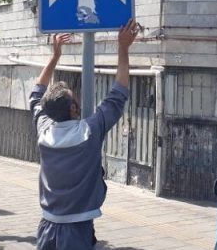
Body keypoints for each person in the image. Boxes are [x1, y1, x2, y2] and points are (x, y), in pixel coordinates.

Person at [30, 19, 139, 250]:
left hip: (46, 226)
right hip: (78, 230)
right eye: (74, 97)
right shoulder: (89, 132)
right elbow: (118, 95)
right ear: (73, 108)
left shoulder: (44, 130)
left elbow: (36, 95)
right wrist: (123, 48)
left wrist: (55, 56)